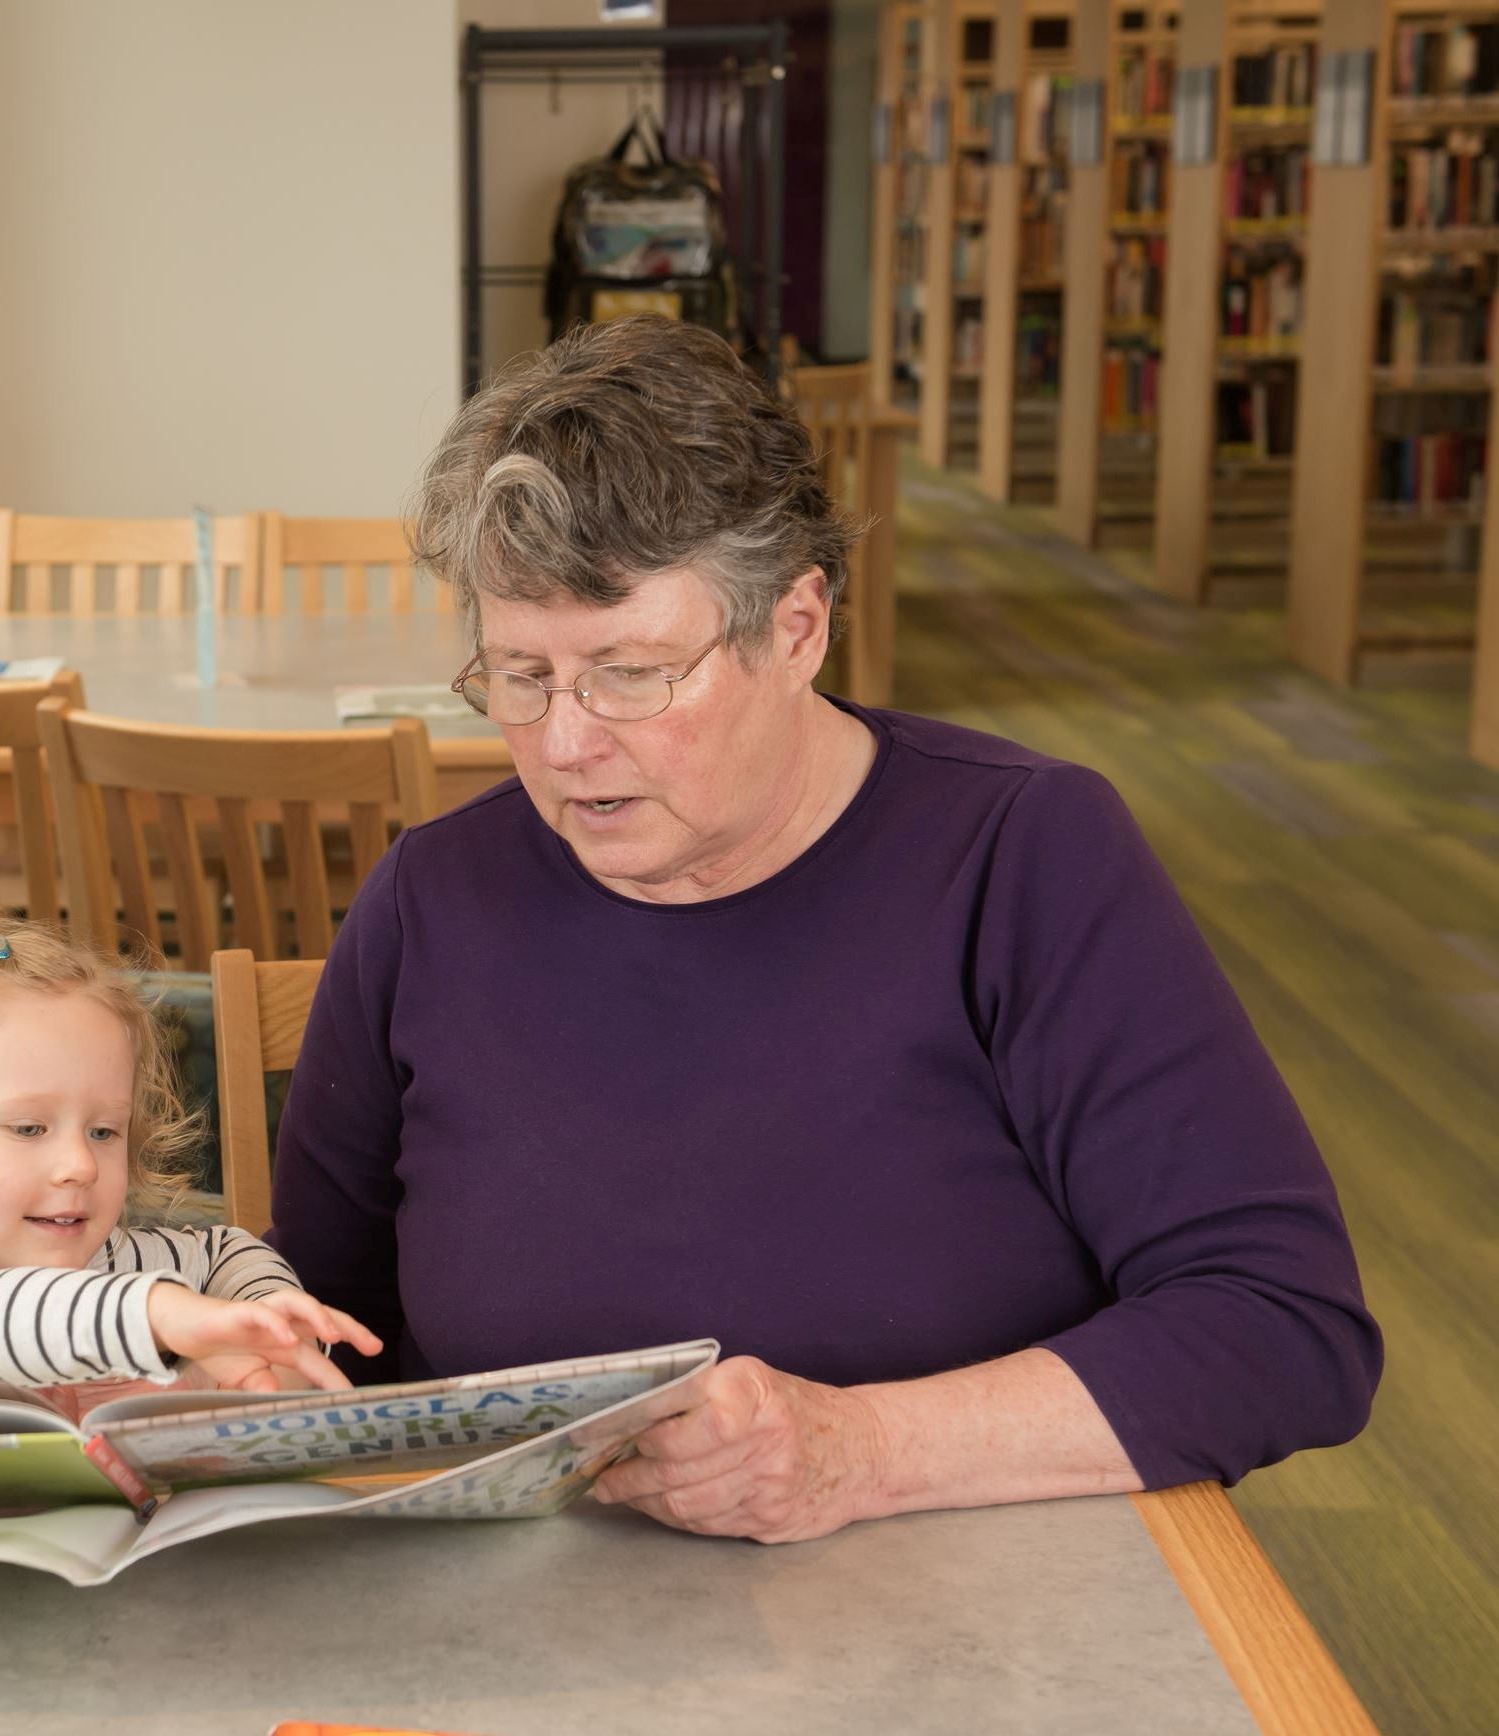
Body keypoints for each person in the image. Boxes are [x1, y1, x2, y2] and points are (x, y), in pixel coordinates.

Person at [265, 317, 1380, 1544]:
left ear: (796, 628)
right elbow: (322, 1319)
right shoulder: (433, 897)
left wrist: (864, 1451)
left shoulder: (1022, 856)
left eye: (629, 672)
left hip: (977, 1624)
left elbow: (1281, 1323)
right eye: (519, 676)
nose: (565, 742)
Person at [0, 917, 378, 1419]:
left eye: (104, 1130)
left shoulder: (105, 1258)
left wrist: (266, 1312)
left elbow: (224, 1253)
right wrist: (154, 1314)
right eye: (28, 1128)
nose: (80, 1164)